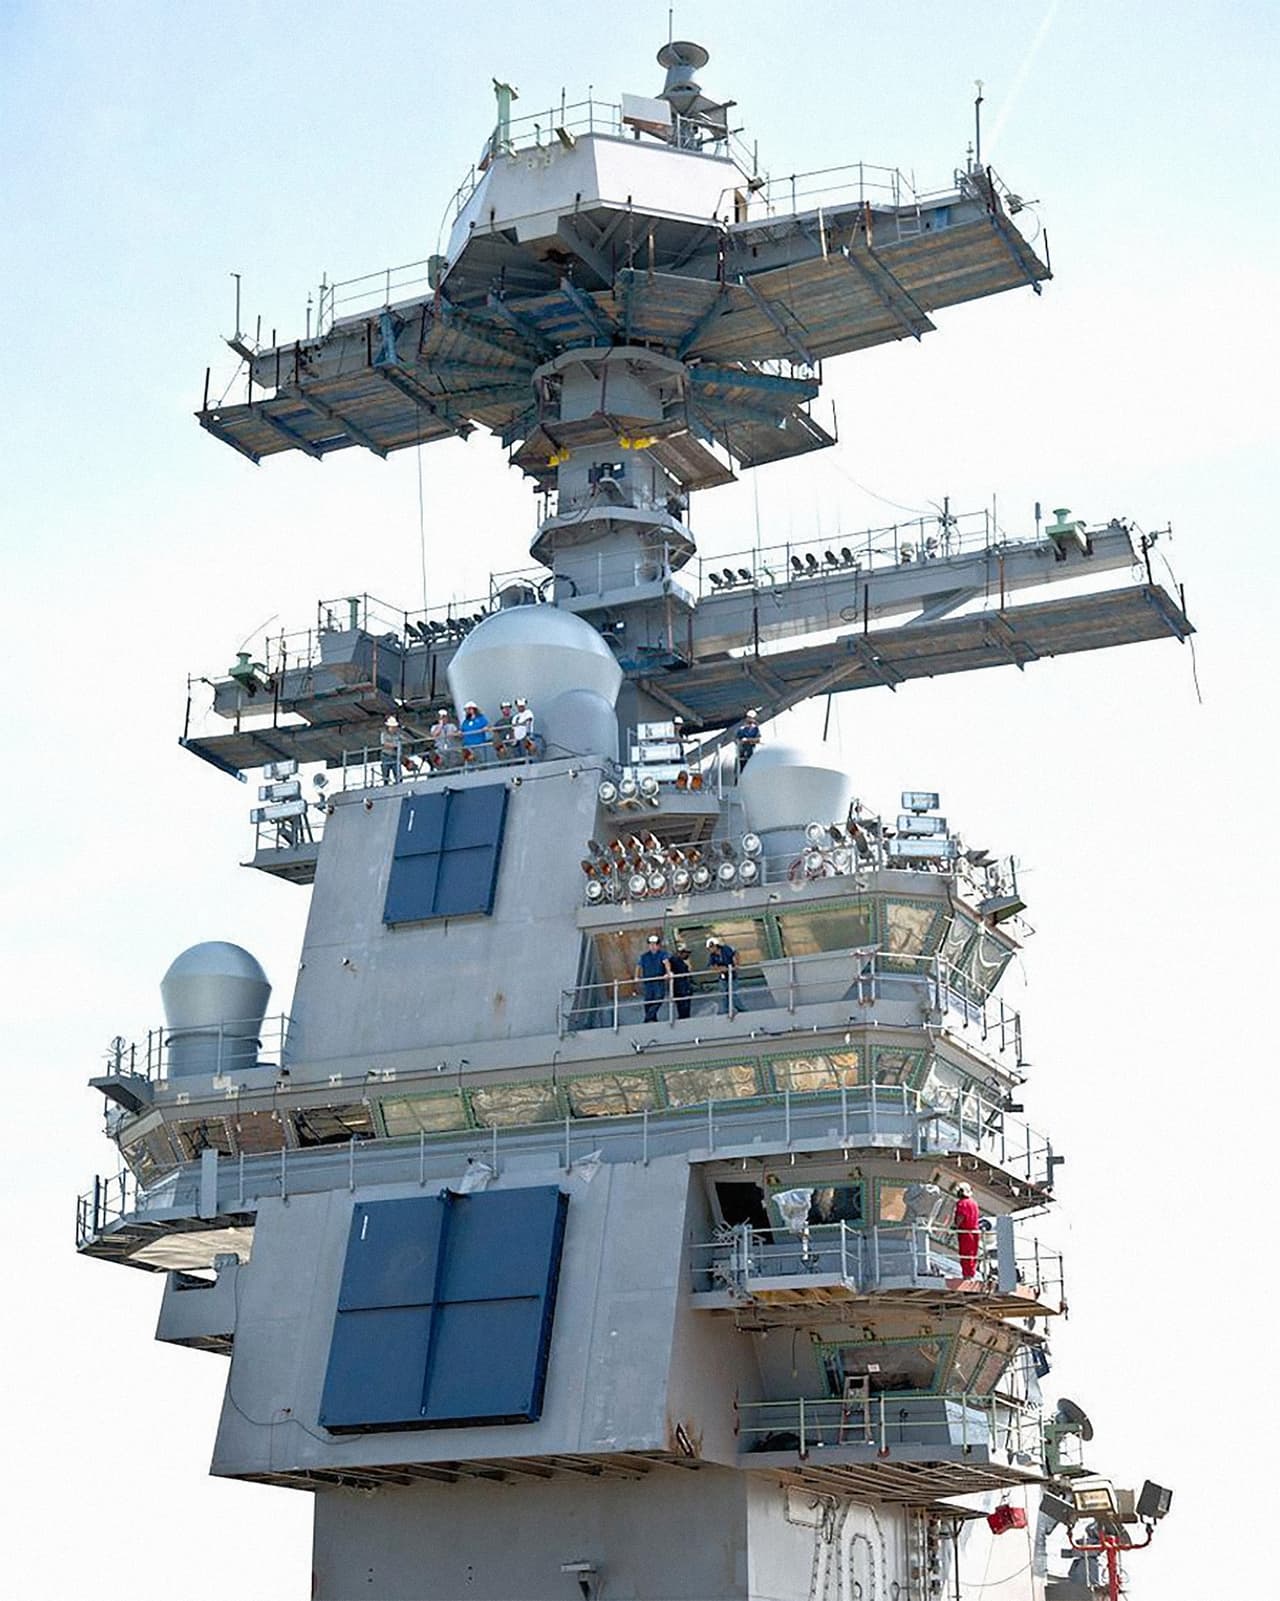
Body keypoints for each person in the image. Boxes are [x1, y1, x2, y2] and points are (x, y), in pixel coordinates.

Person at [634, 932, 671, 1023]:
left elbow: (666, 962)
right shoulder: (644, 956)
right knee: (648, 1001)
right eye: (651, 944)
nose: (653, 946)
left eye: (655, 944)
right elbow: (638, 966)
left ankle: (648, 1018)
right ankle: (652, 1019)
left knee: (658, 998)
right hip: (648, 981)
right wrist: (636, 977)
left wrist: (668, 973)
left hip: (658, 980)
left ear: (658, 945)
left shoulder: (662, 954)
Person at [953, 1182, 981, 1280]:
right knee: (973, 1254)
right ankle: (971, 1274)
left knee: (965, 1254)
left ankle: (967, 1275)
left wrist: (955, 1226)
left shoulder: (962, 1203)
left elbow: (961, 1216)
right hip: (975, 1232)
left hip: (965, 1232)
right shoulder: (974, 1203)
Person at [706, 934, 738, 1014]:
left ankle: (742, 1009)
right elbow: (711, 966)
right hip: (722, 977)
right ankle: (726, 1010)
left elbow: (735, 957)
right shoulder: (712, 955)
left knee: (733, 994)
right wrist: (720, 969)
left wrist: (734, 966)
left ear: (716, 946)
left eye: (711, 947)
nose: (710, 949)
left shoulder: (726, 949)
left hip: (732, 975)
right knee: (724, 994)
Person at [669, 942, 693, 1019]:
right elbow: (685, 972)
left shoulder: (676, 960)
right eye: (686, 953)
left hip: (682, 987)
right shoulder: (676, 961)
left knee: (683, 1007)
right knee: (683, 1007)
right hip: (682, 988)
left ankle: (684, 1017)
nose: (688, 955)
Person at [379, 715, 403, 784]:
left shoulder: (398, 735)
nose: (394, 728)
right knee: (386, 775)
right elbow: (384, 744)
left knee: (398, 775)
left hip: (395, 757)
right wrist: (394, 746)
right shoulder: (384, 734)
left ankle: (398, 784)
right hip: (386, 756)